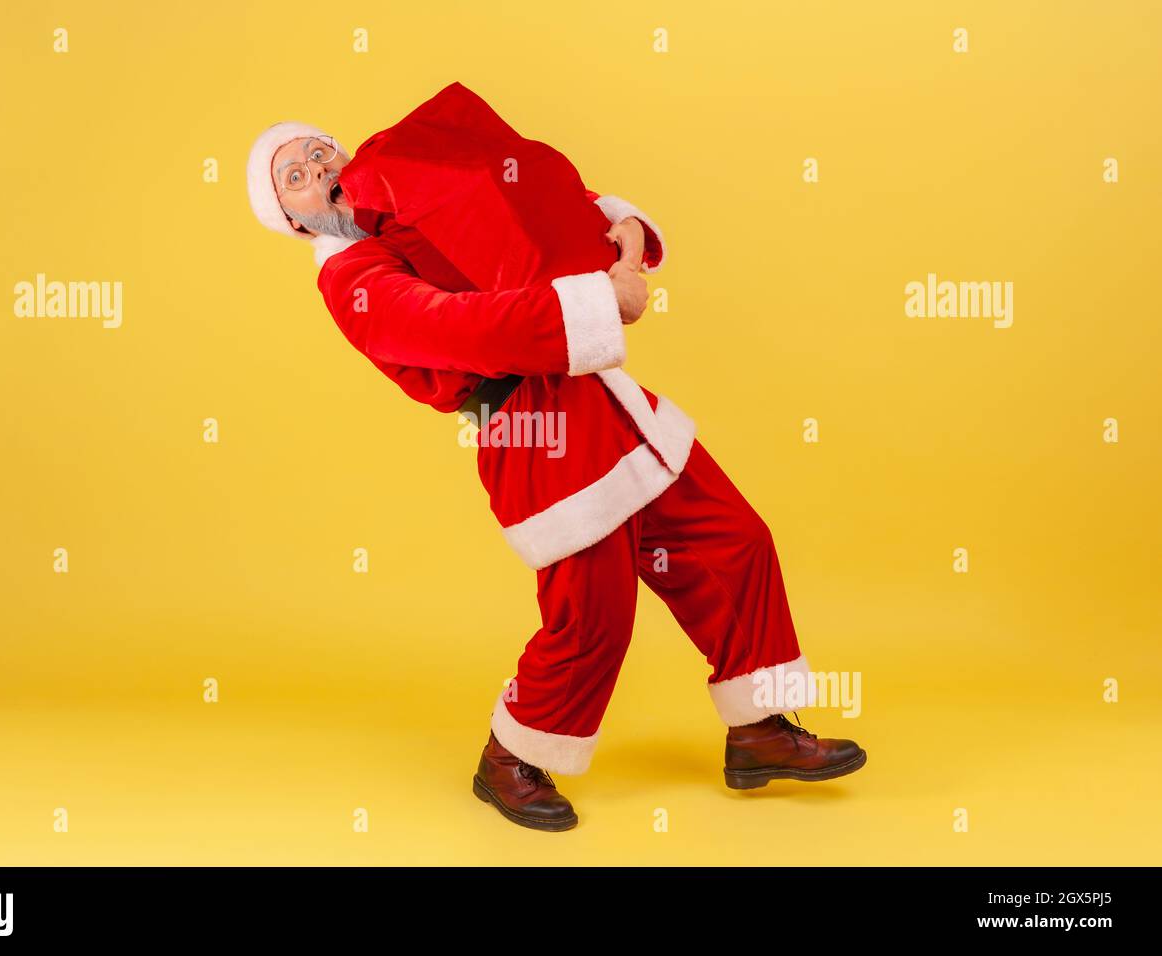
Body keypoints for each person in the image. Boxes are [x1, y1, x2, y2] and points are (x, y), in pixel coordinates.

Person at [247, 82, 866, 832]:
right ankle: (510, 755)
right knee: (594, 613)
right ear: (289, 218)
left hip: (594, 390)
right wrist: (601, 302)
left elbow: (525, 205)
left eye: (321, 151)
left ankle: (761, 728)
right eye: (295, 174)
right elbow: (459, 327)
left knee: (731, 539)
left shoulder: (412, 193)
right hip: (531, 428)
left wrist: (621, 229)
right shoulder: (352, 281)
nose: (319, 166)